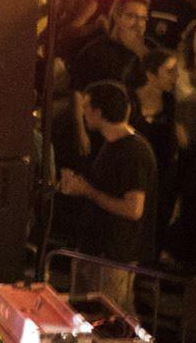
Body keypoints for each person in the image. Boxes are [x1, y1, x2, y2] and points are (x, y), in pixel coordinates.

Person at [57, 81, 157, 310]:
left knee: (110, 321)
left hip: (112, 256)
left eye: (86, 107)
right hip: (95, 250)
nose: (82, 112)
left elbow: (133, 209)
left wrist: (88, 191)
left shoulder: (134, 152)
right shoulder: (111, 145)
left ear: (98, 112)